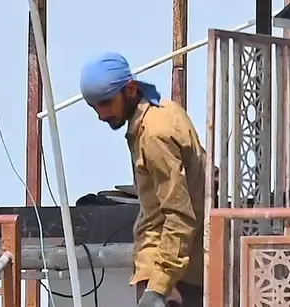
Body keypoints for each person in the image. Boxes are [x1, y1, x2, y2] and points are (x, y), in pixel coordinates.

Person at [80, 52, 205, 307]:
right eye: (94, 107)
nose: (101, 115)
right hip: (173, 270)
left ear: (130, 89)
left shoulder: (154, 134)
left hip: (173, 277)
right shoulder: (163, 112)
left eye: (105, 103)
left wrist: (158, 287)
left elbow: (179, 215)